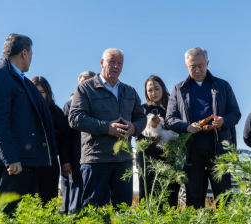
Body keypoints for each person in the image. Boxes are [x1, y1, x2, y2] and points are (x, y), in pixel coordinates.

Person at [0, 34, 57, 214]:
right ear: (24, 53)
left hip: (26, 159)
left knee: (23, 215)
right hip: (15, 163)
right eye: (31, 53)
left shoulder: (19, 79)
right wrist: (10, 157)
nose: (31, 58)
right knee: (8, 213)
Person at [69, 48, 146, 208]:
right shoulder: (85, 88)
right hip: (96, 159)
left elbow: (141, 117)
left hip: (123, 159)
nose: (116, 66)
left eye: (119, 63)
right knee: (93, 211)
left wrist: (134, 128)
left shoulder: (129, 90)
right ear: (102, 62)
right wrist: (107, 127)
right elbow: (75, 118)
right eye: (112, 62)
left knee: (123, 211)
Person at [165, 47, 241, 209]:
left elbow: (235, 114)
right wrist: (186, 127)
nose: (197, 70)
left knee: (224, 194)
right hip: (192, 151)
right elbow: (170, 119)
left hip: (219, 148)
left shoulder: (222, 85)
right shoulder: (179, 89)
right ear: (186, 66)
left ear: (207, 63)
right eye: (193, 67)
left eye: (201, 65)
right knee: (194, 196)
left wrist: (223, 120)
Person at [136, 75, 181, 207]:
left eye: (156, 88)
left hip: (170, 156)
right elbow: (138, 132)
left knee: (169, 190)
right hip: (148, 156)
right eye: (150, 90)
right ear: (146, 92)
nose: (153, 93)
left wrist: (168, 136)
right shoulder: (142, 109)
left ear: (163, 88)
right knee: (148, 189)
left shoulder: (173, 108)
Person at [31, 76, 70, 205]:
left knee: (48, 201)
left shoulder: (57, 112)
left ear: (48, 92)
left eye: (41, 92)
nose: (38, 95)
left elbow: (64, 138)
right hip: (28, 162)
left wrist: (65, 161)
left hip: (50, 161)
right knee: (29, 201)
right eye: (35, 92)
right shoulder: (23, 111)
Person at [61, 71, 96, 214]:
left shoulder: (99, 105)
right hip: (75, 161)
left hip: (95, 160)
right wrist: (66, 160)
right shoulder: (69, 106)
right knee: (75, 202)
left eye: (90, 82)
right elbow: (65, 137)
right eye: (83, 83)